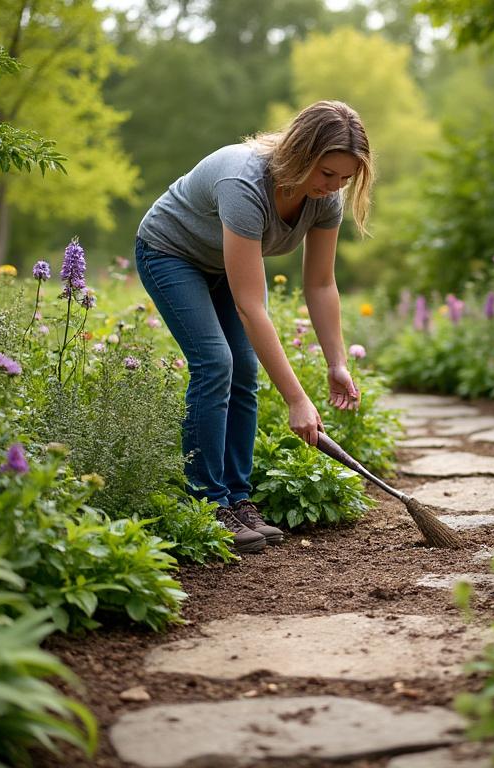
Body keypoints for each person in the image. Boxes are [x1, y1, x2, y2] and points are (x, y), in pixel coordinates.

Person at [134, 100, 375, 554]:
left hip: (223, 265)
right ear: (302, 154)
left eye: (345, 179)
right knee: (215, 362)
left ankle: (238, 499)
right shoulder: (244, 182)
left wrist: (336, 363)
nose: (334, 187)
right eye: (327, 174)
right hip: (170, 253)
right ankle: (206, 504)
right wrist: (297, 400)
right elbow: (251, 307)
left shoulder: (326, 198)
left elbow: (321, 284)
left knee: (244, 367)